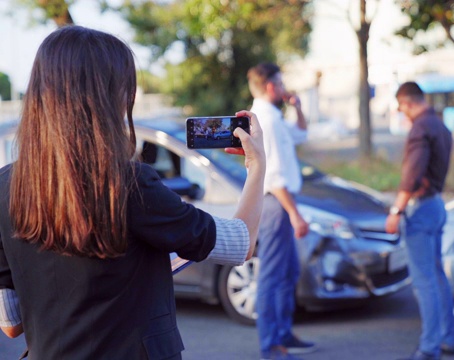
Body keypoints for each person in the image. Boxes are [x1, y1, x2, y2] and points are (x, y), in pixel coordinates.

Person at [0, 26, 266, 360]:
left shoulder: (5, 188)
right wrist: (257, 165)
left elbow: (11, 323)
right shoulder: (127, 184)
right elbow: (241, 243)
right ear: (109, 96)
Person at [247, 63, 315, 360]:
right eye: (281, 82)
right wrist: (295, 214)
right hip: (277, 204)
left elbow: (301, 134)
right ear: (271, 87)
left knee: (288, 271)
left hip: (281, 203)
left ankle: (283, 334)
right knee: (273, 274)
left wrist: (297, 107)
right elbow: (273, 177)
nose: (285, 87)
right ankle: (271, 345)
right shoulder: (267, 121)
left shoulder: (273, 116)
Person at [386, 82, 454, 360]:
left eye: (401, 107)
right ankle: (447, 338)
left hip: (421, 208)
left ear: (407, 102)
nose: (402, 113)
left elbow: (412, 176)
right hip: (437, 204)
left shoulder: (420, 129)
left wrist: (395, 212)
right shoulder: (440, 126)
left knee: (424, 281)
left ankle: (429, 348)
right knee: (437, 277)